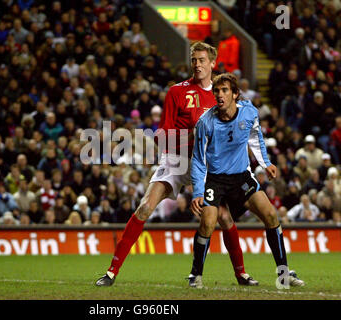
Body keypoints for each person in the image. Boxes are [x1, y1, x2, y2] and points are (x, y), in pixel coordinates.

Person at [96, 42, 258, 287]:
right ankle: (111, 272)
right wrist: (190, 136)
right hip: (176, 158)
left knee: (224, 217)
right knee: (144, 207)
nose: (197, 64)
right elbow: (163, 131)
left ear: (213, 63)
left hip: (205, 163)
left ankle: (241, 274)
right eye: (194, 59)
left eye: (202, 60)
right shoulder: (176, 92)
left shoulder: (221, 95)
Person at [189, 73, 305, 288]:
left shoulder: (249, 111)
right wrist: (197, 191)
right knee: (208, 222)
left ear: (235, 94)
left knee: (271, 214)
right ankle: (196, 275)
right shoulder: (205, 122)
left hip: (241, 177)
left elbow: (255, 137)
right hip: (215, 180)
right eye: (216, 91)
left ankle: (284, 274)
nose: (219, 95)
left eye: (224, 90)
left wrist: (265, 163)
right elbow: (197, 159)